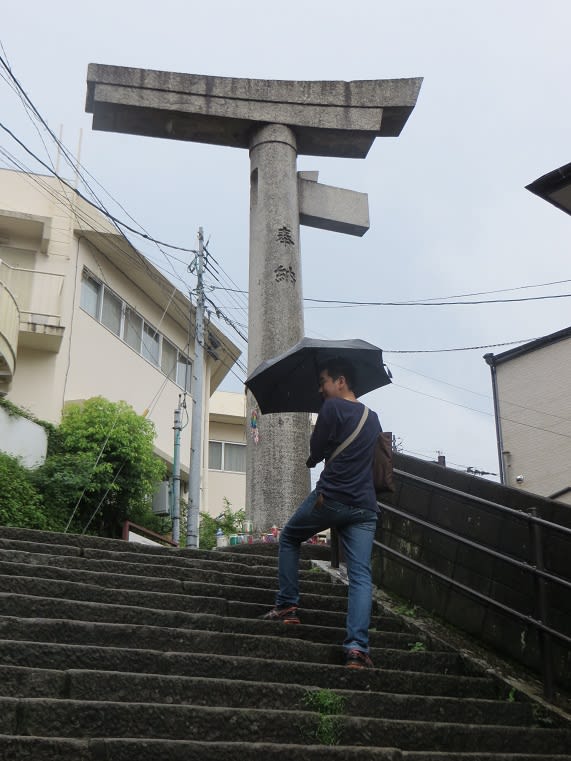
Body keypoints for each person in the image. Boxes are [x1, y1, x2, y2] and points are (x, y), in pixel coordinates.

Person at [261, 358, 381, 669]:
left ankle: (287, 606)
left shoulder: (331, 409)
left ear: (341, 381)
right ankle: (357, 649)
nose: (321, 389)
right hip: (364, 508)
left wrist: (317, 456)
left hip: (332, 498)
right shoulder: (373, 417)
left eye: (324, 381)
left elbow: (316, 449)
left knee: (289, 536)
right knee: (360, 576)